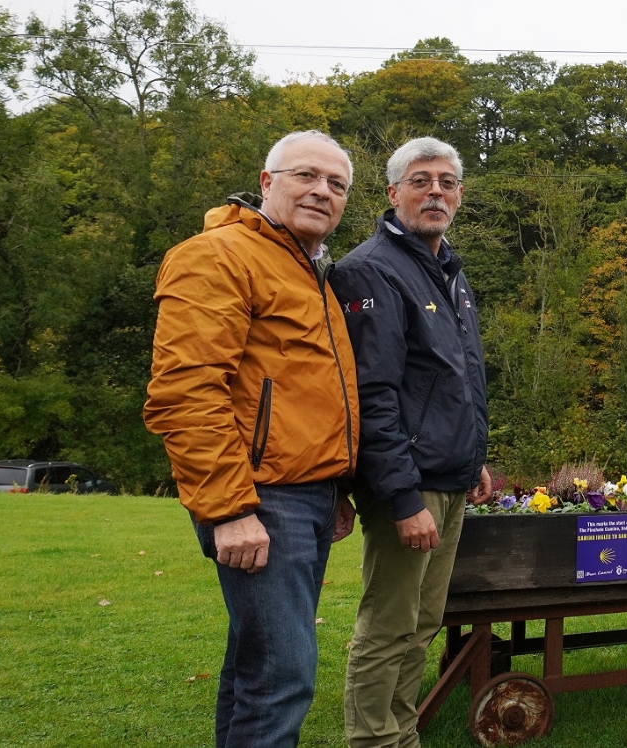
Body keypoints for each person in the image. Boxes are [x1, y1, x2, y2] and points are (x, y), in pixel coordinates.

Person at [143, 130, 360, 748]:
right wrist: (230, 509)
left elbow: (310, 395)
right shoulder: (218, 255)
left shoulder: (309, 271)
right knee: (282, 673)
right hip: (259, 499)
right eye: (306, 176)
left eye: (336, 184)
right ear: (267, 182)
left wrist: (337, 489)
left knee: (259, 665)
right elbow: (186, 391)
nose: (322, 191)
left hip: (307, 498)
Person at [330, 137, 491, 748]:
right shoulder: (371, 268)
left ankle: (403, 733)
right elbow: (373, 394)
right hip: (409, 482)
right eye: (420, 181)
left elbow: (458, 377)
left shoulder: (448, 269)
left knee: (422, 623)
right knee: (389, 623)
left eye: (447, 182)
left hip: (448, 475)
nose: (435, 192)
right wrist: (401, 497)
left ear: (459, 196)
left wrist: (473, 457)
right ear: (393, 191)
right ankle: (375, 740)